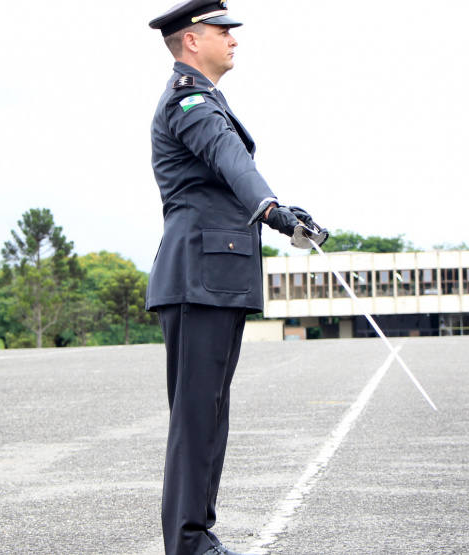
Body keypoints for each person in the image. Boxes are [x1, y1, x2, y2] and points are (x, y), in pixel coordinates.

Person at [147, 2, 326, 554]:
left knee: (210, 413)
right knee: (197, 415)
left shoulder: (206, 98)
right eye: (223, 30)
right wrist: (271, 209)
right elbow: (231, 160)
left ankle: (197, 533)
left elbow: (226, 176)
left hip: (216, 272)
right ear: (192, 40)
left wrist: (281, 208)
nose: (234, 39)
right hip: (200, 272)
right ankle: (188, 540)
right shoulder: (191, 99)